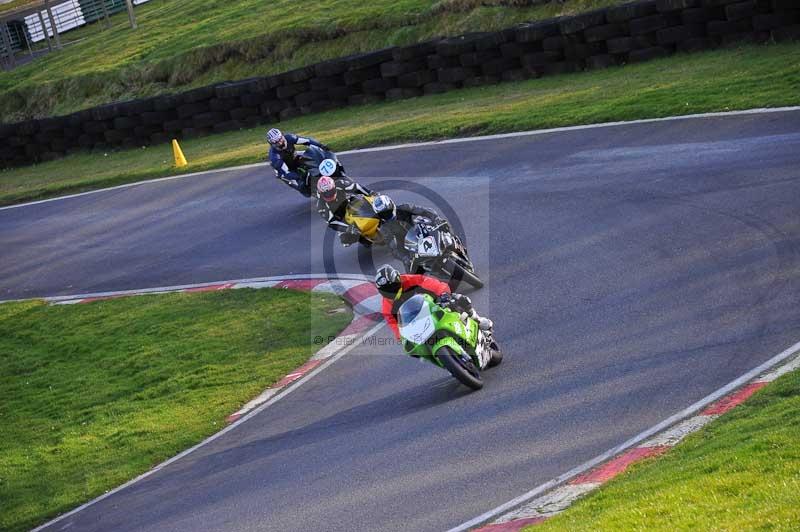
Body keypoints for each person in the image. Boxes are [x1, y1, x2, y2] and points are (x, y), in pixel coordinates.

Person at [374, 264, 492, 340]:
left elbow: (430, 283)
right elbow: (395, 326)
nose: (391, 293)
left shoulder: (410, 280)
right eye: (386, 291)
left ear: (398, 279)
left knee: (459, 299)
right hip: (416, 322)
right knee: (416, 352)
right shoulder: (386, 307)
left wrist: (443, 293)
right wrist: (402, 337)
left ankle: (477, 319)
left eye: (392, 288)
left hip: (434, 304)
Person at [267, 128, 330, 196]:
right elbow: (286, 172)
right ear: (271, 144)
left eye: (280, 139)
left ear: (282, 135)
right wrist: (299, 177)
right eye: (276, 142)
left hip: (295, 157)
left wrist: (321, 145)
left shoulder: (289, 138)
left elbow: (307, 141)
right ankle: (312, 191)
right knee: (302, 185)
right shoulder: (275, 157)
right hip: (285, 170)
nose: (279, 142)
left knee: (315, 159)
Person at [316, 175, 374, 246]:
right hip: (341, 218)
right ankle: (365, 240)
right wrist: (348, 228)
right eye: (326, 194)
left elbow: (356, 187)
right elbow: (332, 222)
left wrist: (370, 193)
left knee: (367, 200)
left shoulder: (340, 184)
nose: (329, 195)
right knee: (345, 239)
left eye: (331, 191)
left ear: (334, 187)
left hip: (350, 203)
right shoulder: (321, 206)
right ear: (320, 193)